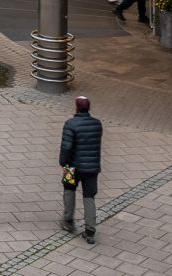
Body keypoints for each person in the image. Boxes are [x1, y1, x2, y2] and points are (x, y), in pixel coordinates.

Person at [59, 96, 103, 243]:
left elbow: (66, 147)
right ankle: (90, 230)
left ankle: (68, 221)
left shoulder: (70, 124)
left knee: (69, 189)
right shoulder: (97, 124)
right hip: (91, 168)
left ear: (76, 107)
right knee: (89, 196)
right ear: (88, 108)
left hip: (71, 167)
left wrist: (63, 163)